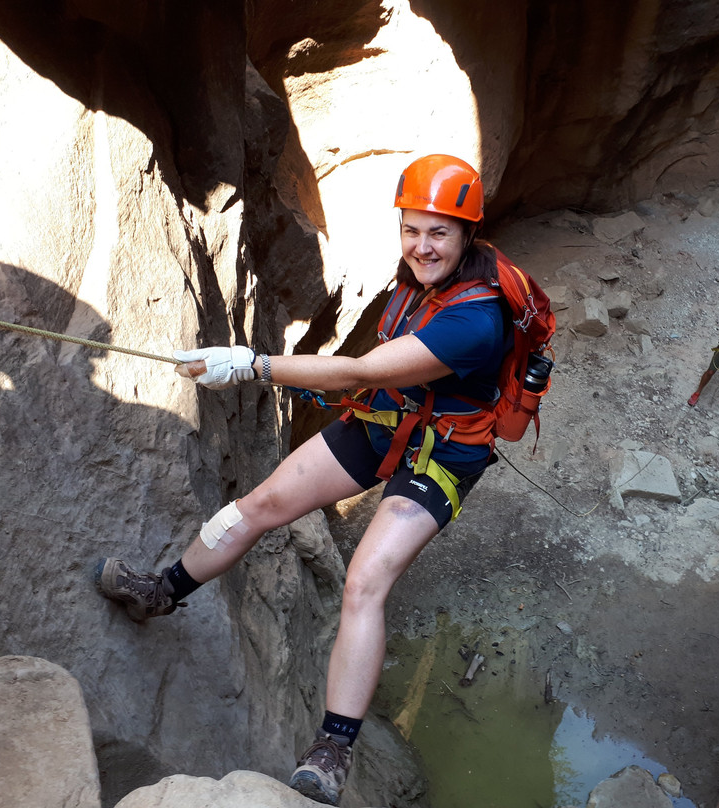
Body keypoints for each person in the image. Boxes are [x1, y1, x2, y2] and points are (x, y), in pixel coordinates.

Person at [96, 155, 510, 806]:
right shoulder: (422, 279)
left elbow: (357, 372)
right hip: (389, 419)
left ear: (467, 234)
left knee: (365, 582)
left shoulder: (476, 317)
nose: (422, 246)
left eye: (439, 232)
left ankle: (333, 748)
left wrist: (254, 364)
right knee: (257, 505)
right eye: (412, 230)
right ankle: (161, 592)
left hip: (444, 451)